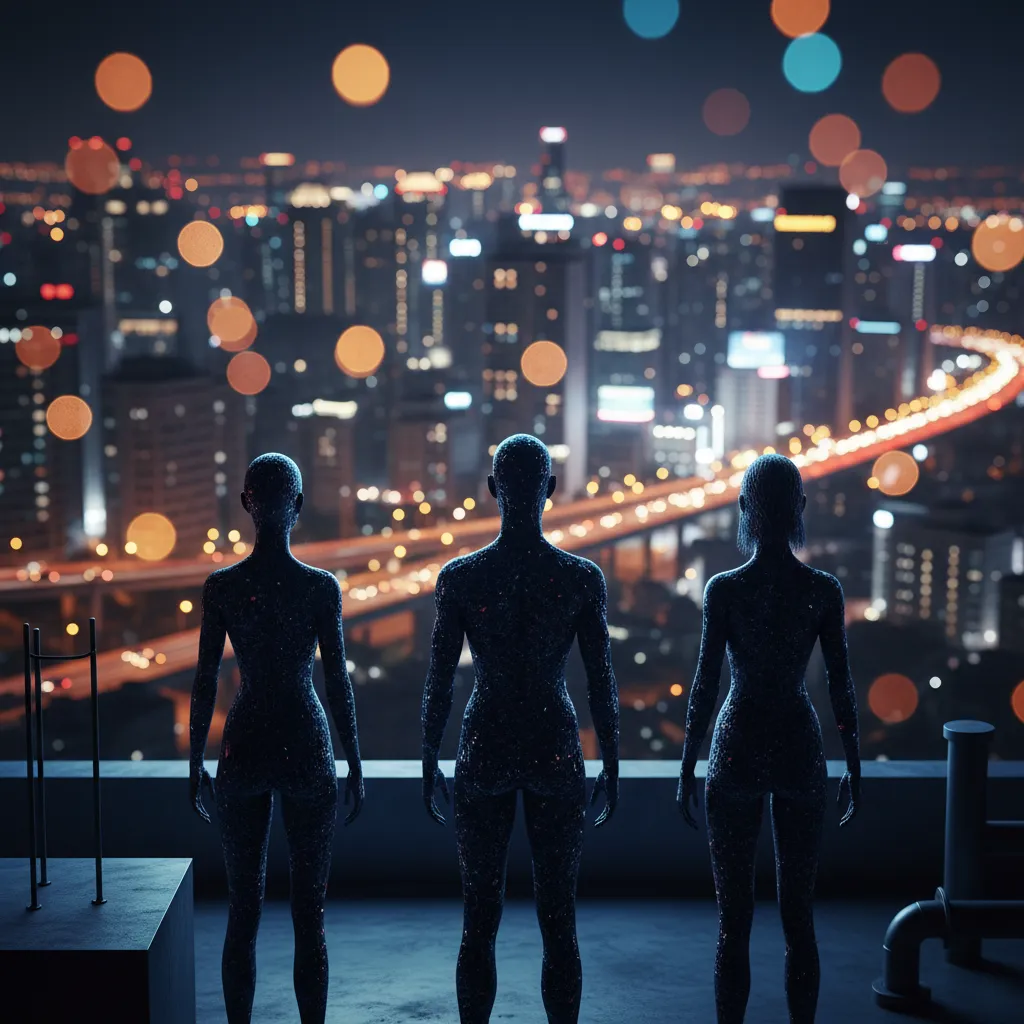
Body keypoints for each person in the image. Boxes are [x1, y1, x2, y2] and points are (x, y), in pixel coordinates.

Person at [421, 433, 620, 1024]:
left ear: (491, 492)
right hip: (555, 745)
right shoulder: (580, 578)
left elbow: (440, 682)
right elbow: (600, 682)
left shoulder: (460, 578)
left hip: (483, 744)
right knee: (559, 918)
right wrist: (612, 759)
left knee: (478, 918)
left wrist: (428, 756)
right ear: (552, 491)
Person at [676, 453, 860, 1024]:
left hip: (736, 745)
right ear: (800, 509)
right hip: (800, 745)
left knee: (733, 923)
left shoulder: (723, 589)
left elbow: (706, 686)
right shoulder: (822, 589)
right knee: (798, 917)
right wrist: (854, 765)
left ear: (744, 510)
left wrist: (687, 766)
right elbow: (839, 687)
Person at [190, 453, 364, 1024]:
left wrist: (196, 760)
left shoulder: (222, 588)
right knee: (308, 913)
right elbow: (336, 680)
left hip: (243, 743)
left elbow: (205, 679)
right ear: (299, 506)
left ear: (246, 505)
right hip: (307, 741)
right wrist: (355, 760)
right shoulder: (320, 588)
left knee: (243, 910)